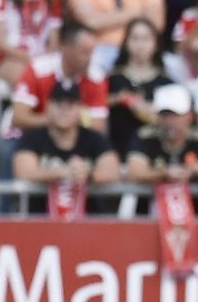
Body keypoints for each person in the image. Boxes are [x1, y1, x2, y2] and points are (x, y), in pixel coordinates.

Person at [11, 80, 118, 214]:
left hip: (88, 223)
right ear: (48, 106)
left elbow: (113, 171)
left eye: (70, 105)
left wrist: (88, 174)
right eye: (58, 104)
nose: (64, 110)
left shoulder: (94, 138)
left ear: (80, 108)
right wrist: (61, 172)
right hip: (40, 221)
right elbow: (23, 172)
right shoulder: (32, 137)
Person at [123, 84, 198, 212]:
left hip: (197, 214)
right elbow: (134, 172)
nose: (169, 121)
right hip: (149, 213)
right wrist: (163, 173)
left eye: (175, 115)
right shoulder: (145, 137)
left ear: (189, 116)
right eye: (164, 115)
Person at [103, 16, 174, 159]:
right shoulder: (112, 79)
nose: (140, 45)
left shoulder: (166, 83)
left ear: (155, 43)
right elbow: (95, 108)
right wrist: (120, 99)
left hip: (153, 155)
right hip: (117, 150)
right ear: (126, 42)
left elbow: (174, 122)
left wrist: (150, 112)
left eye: (146, 39)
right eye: (135, 38)